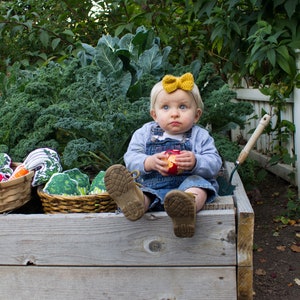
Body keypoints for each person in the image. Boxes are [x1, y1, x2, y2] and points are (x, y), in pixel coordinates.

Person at [104, 72, 222, 238]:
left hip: (188, 186)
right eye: (166, 107)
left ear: (196, 115)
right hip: (154, 187)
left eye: (182, 107)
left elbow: (215, 163)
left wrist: (196, 161)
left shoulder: (200, 136)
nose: (174, 113)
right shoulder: (145, 133)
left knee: (199, 188)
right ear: (154, 114)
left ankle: (185, 211)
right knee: (144, 192)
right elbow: (130, 157)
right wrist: (148, 162)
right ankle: (135, 203)